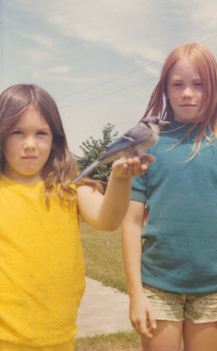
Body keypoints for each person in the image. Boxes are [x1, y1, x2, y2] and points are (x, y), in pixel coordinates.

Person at [0, 84, 154, 351]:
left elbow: (108, 220)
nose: (29, 144)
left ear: (55, 140)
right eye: (17, 132)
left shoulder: (70, 188)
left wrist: (119, 177)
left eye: (41, 134)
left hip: (60, 339)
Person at [121, 43, 217, 351]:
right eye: (177, 85)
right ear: (165, 90)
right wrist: (135, 294)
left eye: (198, 84)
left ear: (214, 88)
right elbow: (130, 222)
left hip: (214, 290)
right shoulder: (148, 144)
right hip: (156, 287)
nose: (187, 93)